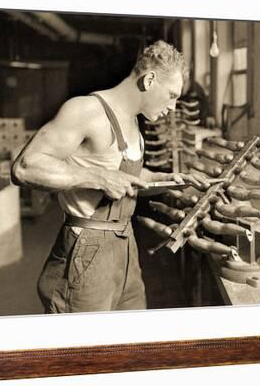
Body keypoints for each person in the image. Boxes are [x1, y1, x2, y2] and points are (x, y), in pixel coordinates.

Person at [11, 40, 209, 314]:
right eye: (172, 95)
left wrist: (170, 178)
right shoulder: (86, 110)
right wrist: (99, 177)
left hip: (125, 245)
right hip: (87, 249)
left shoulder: (133, 122)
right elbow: (25, 167)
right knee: (83, 351)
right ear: (149, 79)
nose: (173, 107)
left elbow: (129, 177)